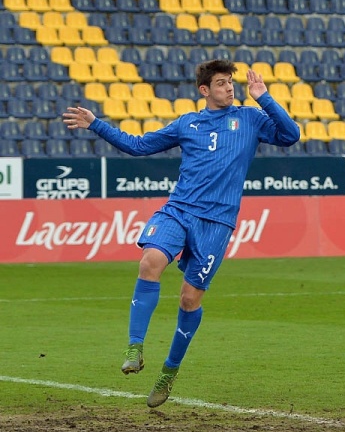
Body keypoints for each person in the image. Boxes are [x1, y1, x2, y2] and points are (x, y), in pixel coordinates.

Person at [62, 61, 301, 407]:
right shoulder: (188, 123)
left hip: (216, 223)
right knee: (149, 262)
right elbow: (139, 145)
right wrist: (95, 123)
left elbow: (290, 136)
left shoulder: (250, 118)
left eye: (230, 83)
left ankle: (169, 372)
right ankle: (134, 346)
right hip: (179, 210)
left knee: (189, 300)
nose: (229, 88)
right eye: (221, 84)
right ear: (204, 90)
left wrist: (263, 98)